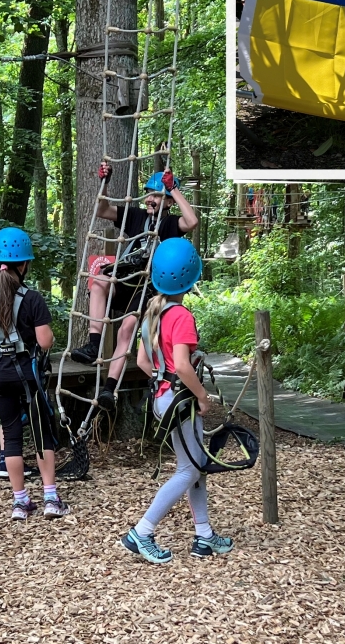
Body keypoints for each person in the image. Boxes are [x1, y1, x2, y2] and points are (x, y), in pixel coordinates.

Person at [121, 238, 232, 564]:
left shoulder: (152, 313)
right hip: (180, 400)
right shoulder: (181, 316)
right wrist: (202, 396)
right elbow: (183, 365)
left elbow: (142, 361)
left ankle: (204, 536)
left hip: (162, 397)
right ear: (190, 279)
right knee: (188, 470)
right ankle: (141, 532)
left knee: (196, 467)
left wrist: (162, 376)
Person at [69, 162, 198, 412]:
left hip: (147, 285)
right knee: (99, 282)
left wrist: (174, 190)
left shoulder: (170, 224)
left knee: (126, 329)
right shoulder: (136, 216)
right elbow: (101, 210)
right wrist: (105, 182)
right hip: (126, 277)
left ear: (169, 202)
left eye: (158, 196)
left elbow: (191, 221)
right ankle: (94, 343)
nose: (150, 199)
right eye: (149, 194)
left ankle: (109, 389)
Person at [0, 227, 70, 520]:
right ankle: (50, 497)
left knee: (11, 434)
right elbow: (45, 342)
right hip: (28, 374)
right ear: (24, 264)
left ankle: (20, 502)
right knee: (41, 434)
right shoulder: (33, 299)